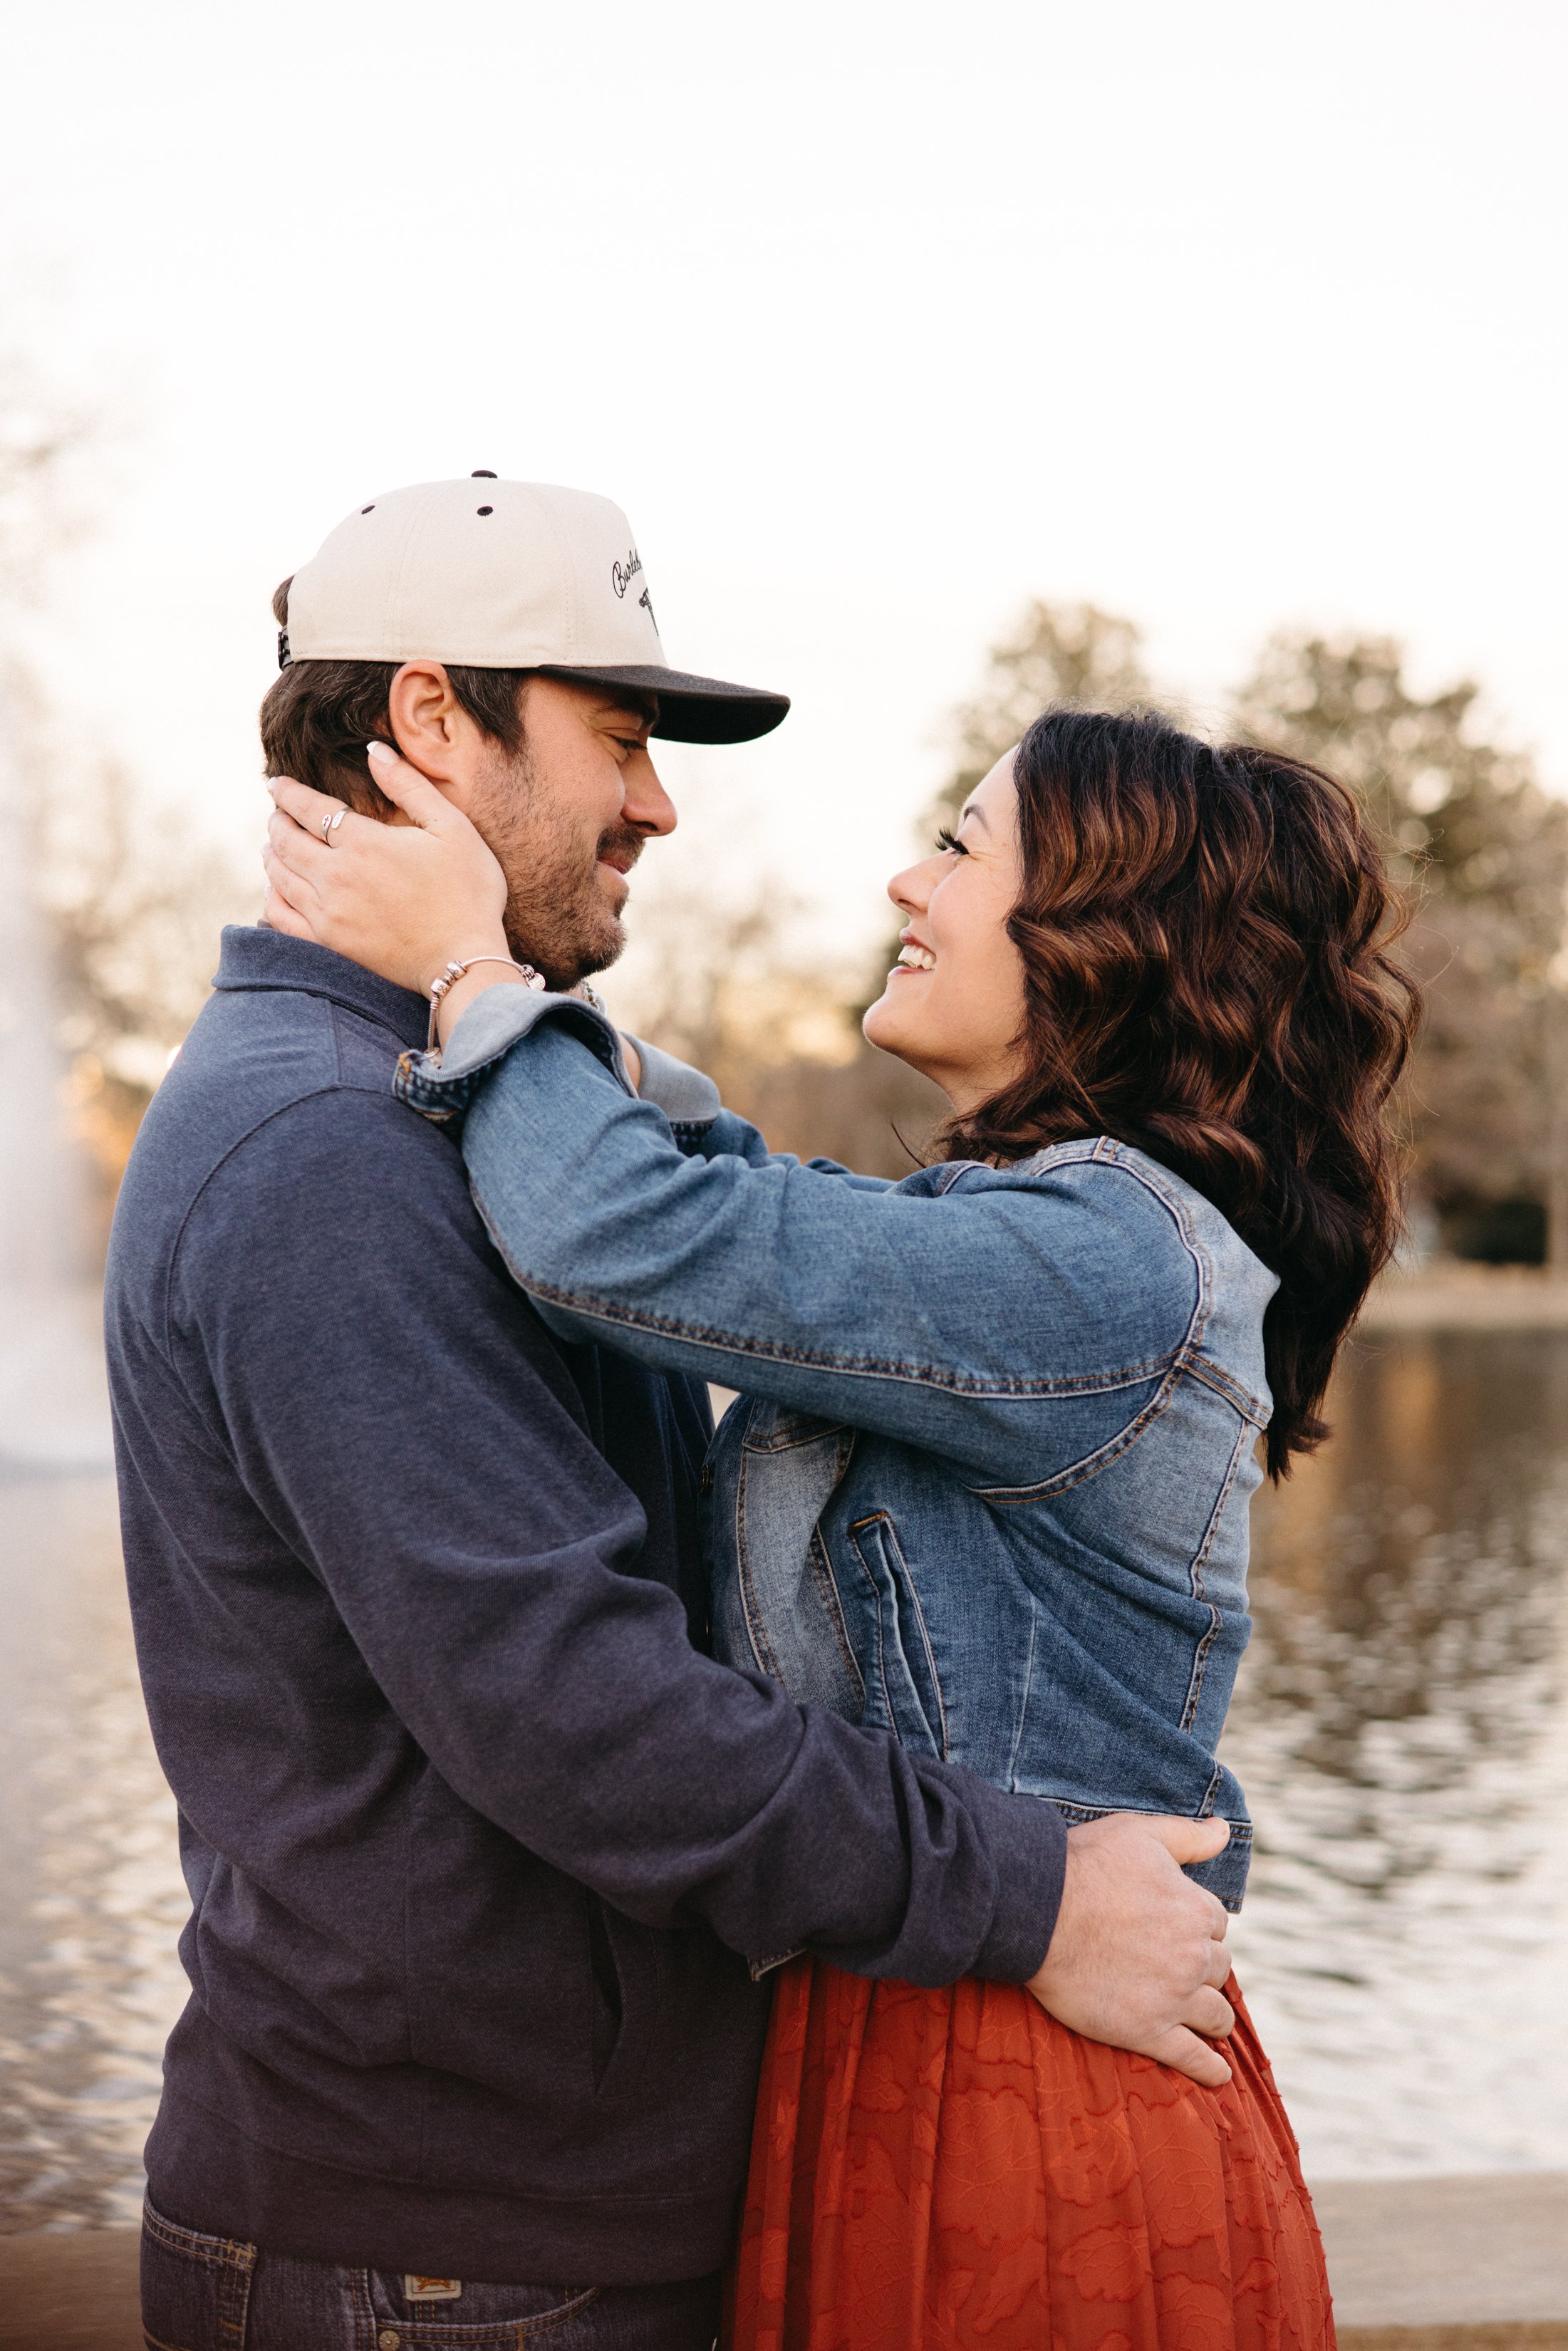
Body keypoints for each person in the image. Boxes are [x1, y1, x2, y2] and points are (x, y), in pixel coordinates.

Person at [108, 477, 1235, 2351]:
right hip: (444, 2255)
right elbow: (587, 1717)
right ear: (430, 723)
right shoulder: (334, 1154)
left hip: (528, 2219)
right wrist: (1033, 1894)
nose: (660, 801)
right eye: (618, 737)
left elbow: (736, 1240)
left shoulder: (450, 1109)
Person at [261, 696, 1418, 2349]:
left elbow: (621, 1233)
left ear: (1108, 938)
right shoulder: (1034, 1235)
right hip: (918, 2045)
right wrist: (566, 1022)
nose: (901, 885)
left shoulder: (1101, 1263)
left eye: (959, 848)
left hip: (1032, 2096)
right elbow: (750, 1211)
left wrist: (469, 971)